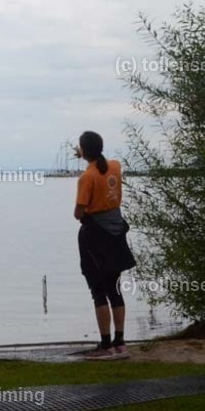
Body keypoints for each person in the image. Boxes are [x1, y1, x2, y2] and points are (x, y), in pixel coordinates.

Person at [73, 131, 136, 360]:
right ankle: (120, 342)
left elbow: (78, 212)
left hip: (95, 236)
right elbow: (104, 168)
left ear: (84, 150)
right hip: (116, 231)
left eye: (80, 147)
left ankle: (106, 345)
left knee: (98, 290)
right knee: (115, 288)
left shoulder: (86, 177)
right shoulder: (115, 166)